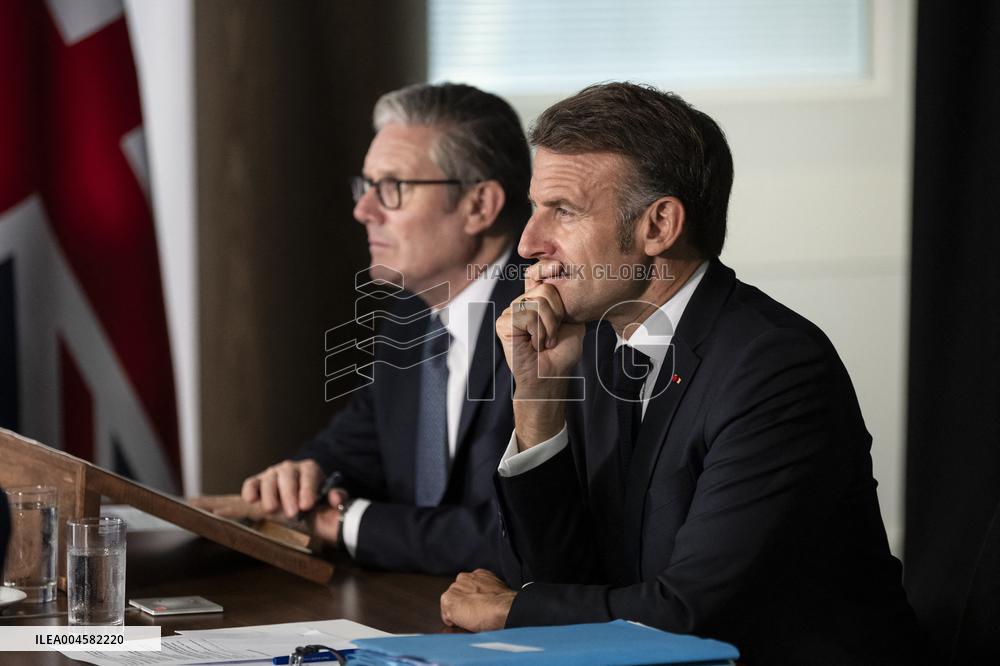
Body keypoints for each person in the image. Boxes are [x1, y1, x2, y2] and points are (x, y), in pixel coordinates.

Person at [439, 83, 925, 664]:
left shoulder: (776, 366)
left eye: (562, 211)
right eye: (536, 208)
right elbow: (563, 580)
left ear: (658, 226)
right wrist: (539, 400)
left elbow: (690, 615)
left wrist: (509, 609)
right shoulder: (593, 344)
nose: (527, 243)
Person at [237, 83, 531, 575]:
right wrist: (305, 476)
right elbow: (356, 447)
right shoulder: (411, 315)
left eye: (393, 188)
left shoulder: (553, 322)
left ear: (480, 206)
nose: (363, 210)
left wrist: (349, 523)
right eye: (366, 185)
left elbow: (519, 536)